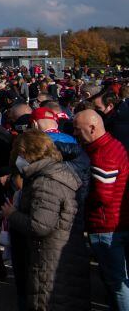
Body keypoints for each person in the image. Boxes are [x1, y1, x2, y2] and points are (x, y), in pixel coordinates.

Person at [0, 130, 89, 311]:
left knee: (49, 302)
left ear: (25, 152)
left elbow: (40, 225)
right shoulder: (58, 172)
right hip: (61, 252)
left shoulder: (45, 181)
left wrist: (12, 214)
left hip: (49, 255)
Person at [73, 109, 129, 310]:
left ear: (92, 128)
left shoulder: (101, 155)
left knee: (116, 283)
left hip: (105, 225)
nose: (76, 133)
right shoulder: (114, 145)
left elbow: (103, 196)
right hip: (115, 222)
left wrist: (81, 199)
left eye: (78, 129)